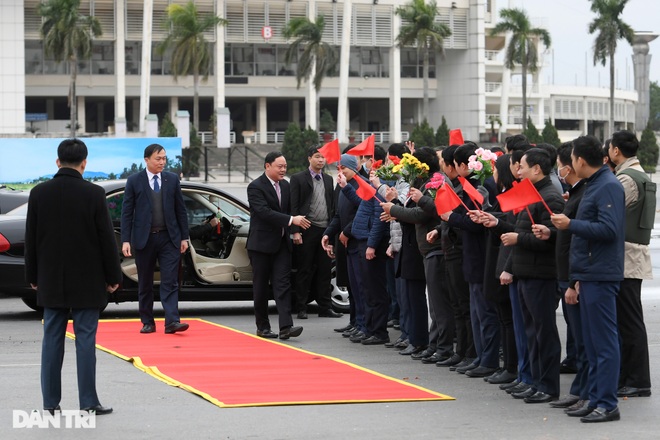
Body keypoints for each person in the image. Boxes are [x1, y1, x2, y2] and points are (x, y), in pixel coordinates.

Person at [25, 138, 121, 415]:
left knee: (51, 340)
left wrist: (33, 275)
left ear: (57, 162)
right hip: (88, 281)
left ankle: (50, 403)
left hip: (51, 279)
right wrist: (113, 276)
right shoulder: (93, 194)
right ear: (84, 163)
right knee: (86, 341)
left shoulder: (39, 193)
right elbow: (106, 239)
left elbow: (31, 239)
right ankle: (88, 402)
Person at [551, 135, 625, 423]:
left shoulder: (607, 186)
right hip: (589, 273)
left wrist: (571, 225)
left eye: (570, 161)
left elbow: (609, 230)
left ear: (580, 161)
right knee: (593, 344)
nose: (569, 166)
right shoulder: (595, 184)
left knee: (604, 343)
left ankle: (607, 403)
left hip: (601, 274)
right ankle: (595, 397)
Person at [121, 144, 190, 334]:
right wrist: (125, 240)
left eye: (164, 158)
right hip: (144, 239)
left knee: (170, 281)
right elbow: (126, 212)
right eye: (158, 159)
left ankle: (172, 322)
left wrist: (184, 237)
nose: (162, 162)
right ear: (146, 160)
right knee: (145, 282)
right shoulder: (135, 181)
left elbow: (180, 210)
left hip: (169, 238)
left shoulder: (172, 179)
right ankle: (147, 321)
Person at [607, 130, 654, 398]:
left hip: (626, 256)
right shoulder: (638, 173)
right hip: (633, 254)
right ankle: (632, 378)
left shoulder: (626, 178)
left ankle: (637, 380)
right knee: (629, 319)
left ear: (615, 151)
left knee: (628, 321)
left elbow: (609, 210)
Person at [247, 151, 309, 339]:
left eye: (285, 167)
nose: (283, 170)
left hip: (282, 244)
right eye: (279, 166)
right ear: (267, 166)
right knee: (261, 287)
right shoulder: (255, 187)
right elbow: (264, 213)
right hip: (261, 245)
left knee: (283, 285)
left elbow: (291, 210)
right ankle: (263, 326)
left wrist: (294, 230)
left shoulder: (286, 185)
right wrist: (292, 220)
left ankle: (285, 327)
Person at [290, 146, 341, 319]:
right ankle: (301, 306)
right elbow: (294, 206)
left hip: (325, 230)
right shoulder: (298, 178)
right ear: (309, 158)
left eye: (323, 158)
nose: (321, 160)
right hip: (307, 229)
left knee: (325, 270)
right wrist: (295, 231)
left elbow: (331, 205)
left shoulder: (328, 179)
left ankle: (325, 307)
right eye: (317, 157)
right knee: (304, 269)